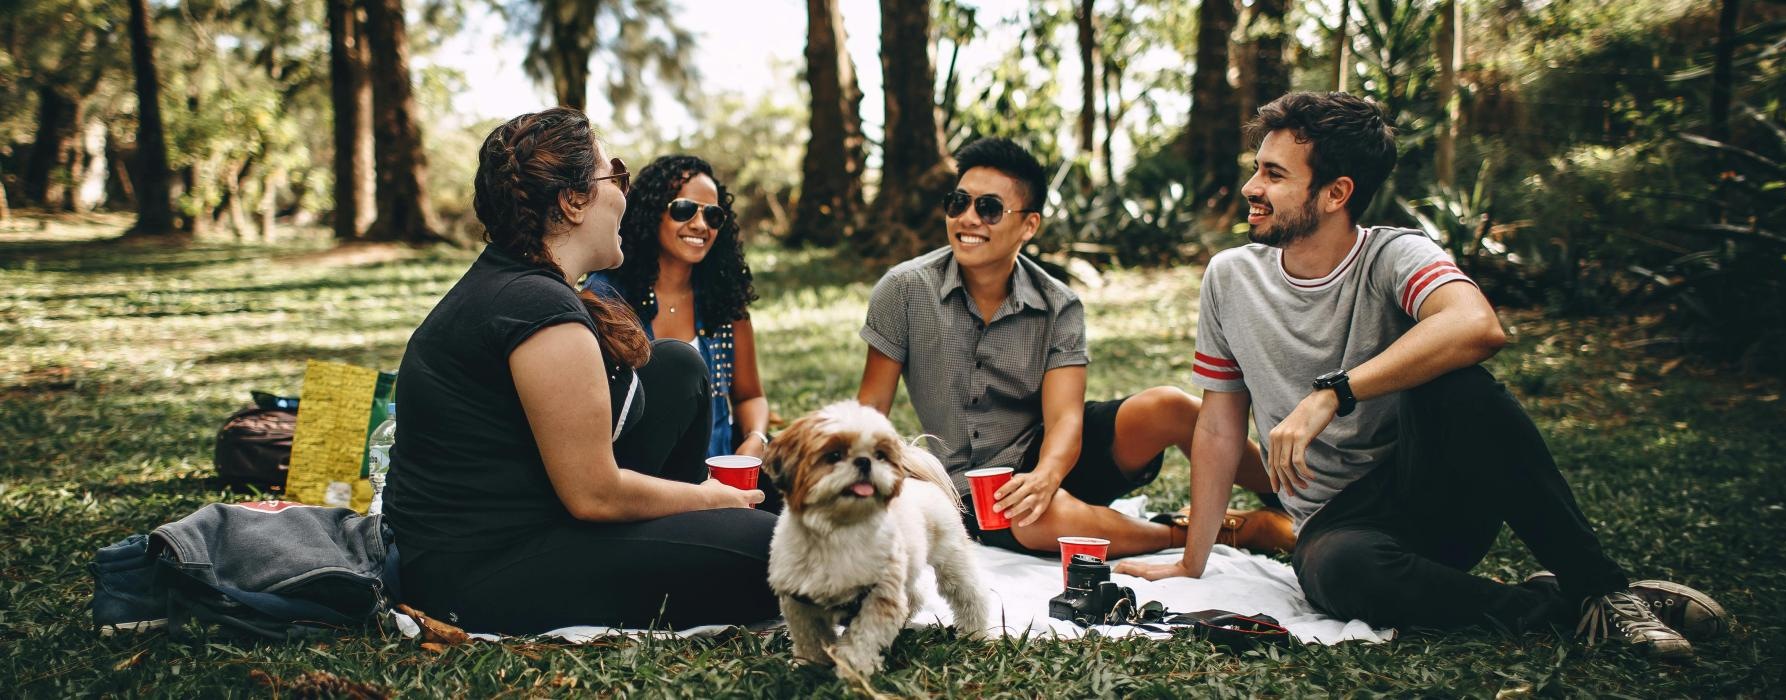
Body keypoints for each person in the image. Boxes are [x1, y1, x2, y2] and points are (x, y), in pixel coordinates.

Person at [1116, 92, 1726, 661]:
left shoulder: (1394, 254)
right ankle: (1566, 607)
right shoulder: (1230, 278)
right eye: (1258, 167)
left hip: (1433, 491)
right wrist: (1193, 563)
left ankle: (1604, 589)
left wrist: (1335, 391)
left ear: (1336, 193)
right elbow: (1220, 427)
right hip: (1338, 527)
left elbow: (1476, 325)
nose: (1251, 186)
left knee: (1458, 382)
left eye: (1274, 175)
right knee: (1340, 572)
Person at [383, 108, 778, 634]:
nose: (623, 193)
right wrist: (711, 497)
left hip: (534, 515)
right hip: (479, 570)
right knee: (777, 552)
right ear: (572, 202)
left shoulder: (521, 283)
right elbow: (594, 495)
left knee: (677, 366)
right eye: (614, 175)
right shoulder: (537, 309)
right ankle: (708, 531)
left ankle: (699, 531)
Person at [856, 136, 1292, 558]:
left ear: (1028, 225)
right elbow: (871, 408)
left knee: (1170, 406)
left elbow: (1065, 417)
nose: (968, 218)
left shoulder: (1058, 304)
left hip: (1055, 453)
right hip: (975, 488)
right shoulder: (904, 290)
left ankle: (1296, 500)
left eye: (988, 208)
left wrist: (1047, 475)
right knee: (1036, 519)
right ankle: (1216, 531)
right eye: (958, 203)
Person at [582, 155, 770, 461]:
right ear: (652, 213)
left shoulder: (723, 298)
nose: (700, 225)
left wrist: (756, 440)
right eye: (683, 209)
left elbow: (750, 396)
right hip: (642, 480)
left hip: (720, 476)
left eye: (713, 216)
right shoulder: (606, 297)